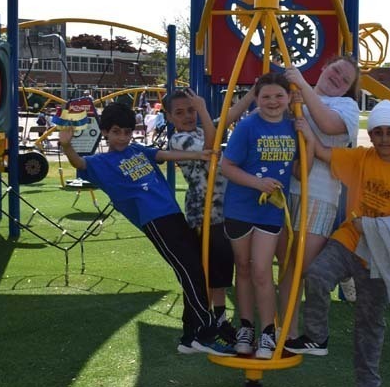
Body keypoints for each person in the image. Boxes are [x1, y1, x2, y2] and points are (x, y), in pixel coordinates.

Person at [285, 100, 390, 387]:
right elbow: (323, 152)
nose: (384, 138)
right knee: (316, 275)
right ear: (371, 135)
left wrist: (377, 227)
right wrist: (304, 128)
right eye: (378, 132)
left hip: (378, 256)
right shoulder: (361, 158)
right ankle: (317, 337)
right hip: (349, 240)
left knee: (369, 323)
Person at [58, 102, 235, 356]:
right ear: (105, 132)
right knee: (191, 272)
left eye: (127, 132)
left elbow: (163, 155)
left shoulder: (137, 150)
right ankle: (205, 333)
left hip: (173, 214)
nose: (122, 137)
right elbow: (79, 163)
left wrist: (200, 155)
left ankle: (190, 337)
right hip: (155, 221)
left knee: (196, 270)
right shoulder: (100, 162)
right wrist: (67, 146)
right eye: (116, 132)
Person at [220, 72, 314, 359]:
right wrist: (257, 183)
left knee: (261, 270)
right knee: (243, 267)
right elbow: (227, 166)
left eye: (278, 96)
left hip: (270, 210)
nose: (272, 101)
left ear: (288, 98)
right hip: (240, 207)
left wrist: (309, 141)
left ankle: (268, 331)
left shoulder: (292, 126)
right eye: (266, 96)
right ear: (257, 99)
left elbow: (301, 172)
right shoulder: (248, 126)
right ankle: (246, 327)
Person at [277, 56, 362, 340]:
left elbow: (327, 125)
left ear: (348, 89)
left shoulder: (346, 106)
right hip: (285, 188)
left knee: (300, 267)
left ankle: (342, 268)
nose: (337, 78)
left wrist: (301, 84)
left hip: (318, 194)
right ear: (324, 67)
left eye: (345, 80)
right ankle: (285, 332)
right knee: (284, 266)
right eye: (336, 70)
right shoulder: (296, 93)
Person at [165, 87, 255, 351]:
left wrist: (253, 93)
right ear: (169, 117)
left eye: (191, 110)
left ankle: (219, 319)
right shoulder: (179, 139)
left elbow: (229, 116)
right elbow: (212, 146)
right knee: (207, 271)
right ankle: (201, 326)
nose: (187, 116)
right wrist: (203, 110)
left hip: (223, 212)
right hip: (203, 214)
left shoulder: (201, 129)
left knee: (221, 271)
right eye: (180, 112)